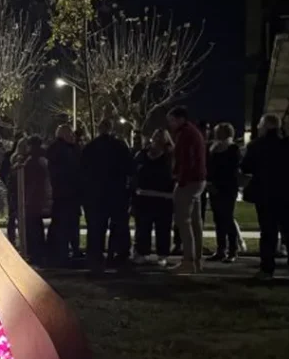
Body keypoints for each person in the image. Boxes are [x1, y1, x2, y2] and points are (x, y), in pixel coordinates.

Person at [242, 114, 289, 279]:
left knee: (267, 233)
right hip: (288, 194)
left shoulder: (256, 146)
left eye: (260, 125)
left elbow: (245, 167)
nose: (258, 128)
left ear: (265, 126)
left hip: (265, 195)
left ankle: (267, 269)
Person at [81, 119, 132, 274]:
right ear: (111, 129)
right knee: (118, 226)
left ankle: (96, 257)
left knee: (96, 228)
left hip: (96, 194)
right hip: (116, 192)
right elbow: (130, 168)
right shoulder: (120, 146)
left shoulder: (90, 147)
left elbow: (83, 171)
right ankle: (117, 255)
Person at [168, 106, 207, 274]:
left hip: (189, 181)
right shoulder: (194, 132)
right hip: (199, 180)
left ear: (180, 119)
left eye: (171, 120)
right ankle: (196, 259)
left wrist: (180, 179)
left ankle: (188, 260)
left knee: (183, 221)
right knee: (195, 222)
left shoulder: (185, 135)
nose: (170, 124)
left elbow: (186, 159)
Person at [132, 129, 175, 267]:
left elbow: (174, 176)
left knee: (163, 228)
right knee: (143, 227)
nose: (157, 141)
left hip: (163, 199)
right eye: (155, 138)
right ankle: (142, 252)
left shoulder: (169, 158)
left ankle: (162, 254)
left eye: (160, 139)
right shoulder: (142, 155)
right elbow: (134, 173)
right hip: (144, 197)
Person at [46, 124, 82, 266]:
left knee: (60, 223)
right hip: (69, 194)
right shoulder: (68, 151)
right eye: (71, 135)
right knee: (69, 223)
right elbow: (74, 170)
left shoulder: (53, 149)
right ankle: (68, 251)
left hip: (60, 193)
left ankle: (59, 251)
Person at [207, 123, 242, 263]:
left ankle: (232, 250)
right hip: (215, 187)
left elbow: (233, 169)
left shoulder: (233, 148)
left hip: (228, 187)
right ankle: (221, 249)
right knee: (218, 219)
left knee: (227, 217)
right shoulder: (213, 148)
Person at [22, 135, 52, 266]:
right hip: (38, 197)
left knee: (33, 225)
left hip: (33, 198)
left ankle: (35, 253)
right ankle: (39, 252)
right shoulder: (43, 159)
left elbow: (32, 181)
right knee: (36, 225)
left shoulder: (33, 161)